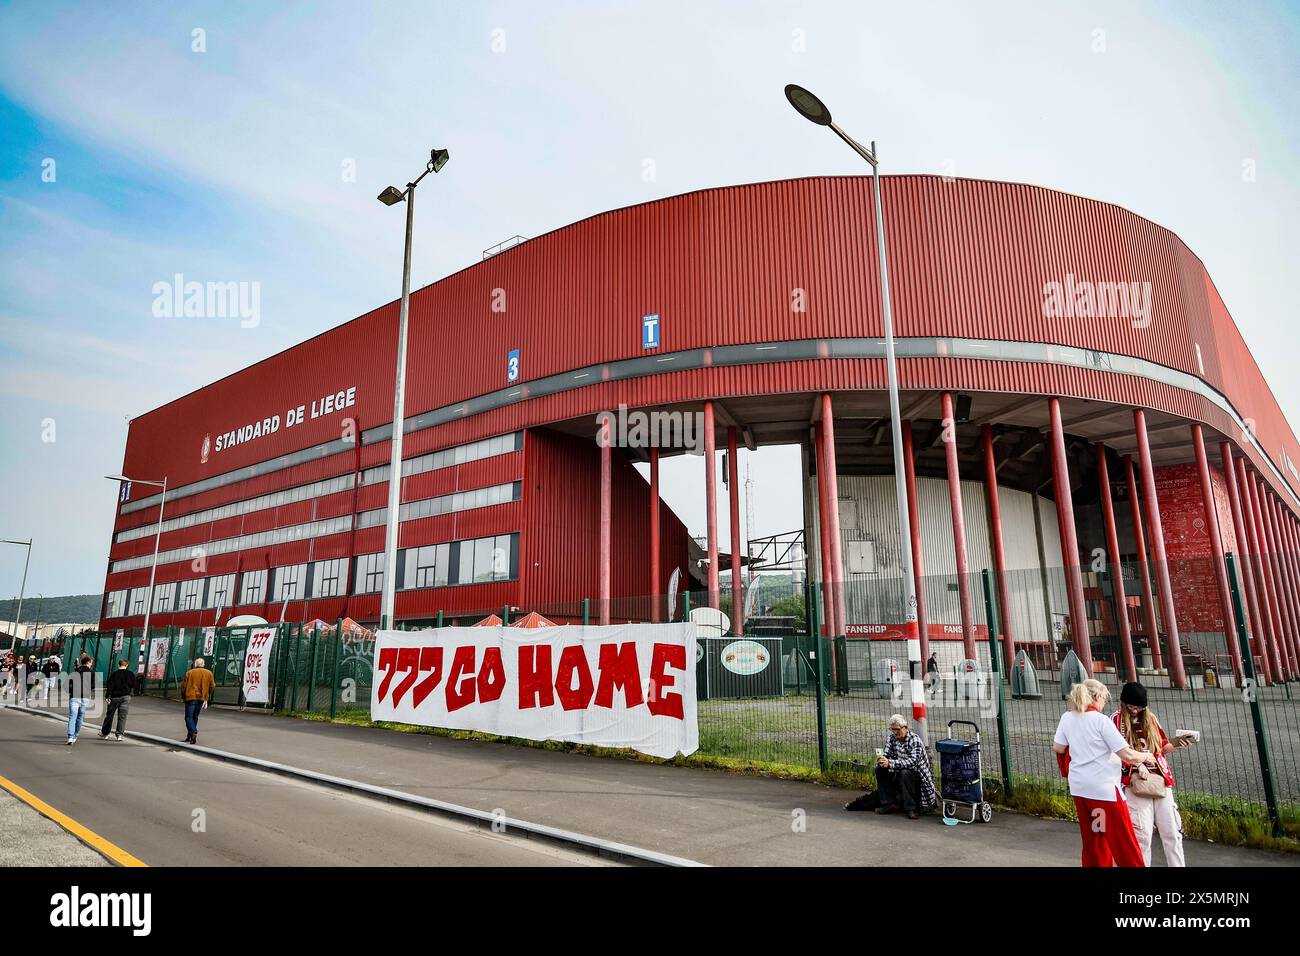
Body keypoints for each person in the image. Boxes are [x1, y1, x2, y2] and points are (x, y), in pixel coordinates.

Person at [1053, 678, 1159, 867]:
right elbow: (1126, 754)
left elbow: (1059, 747)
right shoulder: (1101, 721)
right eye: (1104, 698)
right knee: (1124, 842)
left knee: (1095, 838)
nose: (1104, 702)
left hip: (1080, 788)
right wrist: (1146, 757)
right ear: (1097, 697)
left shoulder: (1067, 717)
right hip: (1104, 791)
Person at [1113, 681, 1188, 867]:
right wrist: (1139, 762)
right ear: (1123, 703)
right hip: (1135, 781)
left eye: (1139, 707)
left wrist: (1178, 744)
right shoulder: (1115, 720)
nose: (1135, 710)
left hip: (1160, 779)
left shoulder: (1151, 719)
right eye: (1131, 706)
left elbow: (1161, 747)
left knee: (1172, 831)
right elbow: (1115, 752)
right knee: (1142, 835)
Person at [874, 713, 937, 819]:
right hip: (899, 770)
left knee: (905, 772)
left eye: (897, 729)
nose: (895, 732)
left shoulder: (915, 740)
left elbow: (912, 762)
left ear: (906, 728)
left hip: (918, 776)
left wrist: (891, 763)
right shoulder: (892, 738)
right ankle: (888, 803)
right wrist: (883, 759)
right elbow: (887, 753)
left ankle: (911, 808)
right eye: (892, 729)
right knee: (880, 769)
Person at [179, 657, 215, 744]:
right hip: (201, 698)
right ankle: (190, 736)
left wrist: (183, 697)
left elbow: (183, 686)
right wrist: (207, 694)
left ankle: (193, 731)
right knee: (195, 716)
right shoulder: (209, 673)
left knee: (188, 717)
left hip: (191, 697)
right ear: (203, 664)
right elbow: (212, 685)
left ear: (195, 664)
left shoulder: (189, 673)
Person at [98, 659, 136, 741]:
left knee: (109, 716)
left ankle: (105, 733)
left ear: (119, 665)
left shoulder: (114, 674)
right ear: (127, 665)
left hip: (114, 697)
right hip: (126, 697)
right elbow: (133, 685)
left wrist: (107, 696)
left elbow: (110, 686)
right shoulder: (131, 674)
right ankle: (119, 735)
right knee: (122, 717)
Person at [65, 655, 96, 745]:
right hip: (85, 696)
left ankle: (70, 737)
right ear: (88, 662)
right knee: (80, 716)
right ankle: (76, 735)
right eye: (91, 662)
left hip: (74, 696)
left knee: (72, 717)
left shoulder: (75, 671)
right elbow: (93, 685)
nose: (91, 664)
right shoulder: (92, 672)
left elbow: (68, 685)